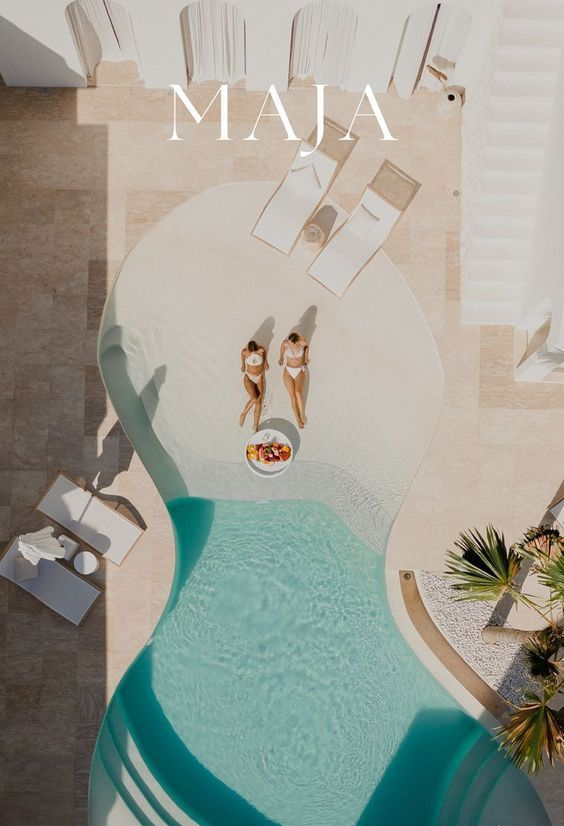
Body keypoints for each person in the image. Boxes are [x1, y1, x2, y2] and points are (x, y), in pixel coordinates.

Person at [278, 331, 309, 428]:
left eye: (291, 343)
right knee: (292, 396)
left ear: (296, 342)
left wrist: (306, 358)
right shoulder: (286, 343)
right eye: (289, 341)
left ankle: (302, 413)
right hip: (288, 372)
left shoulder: (302, 343)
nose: (289, 344)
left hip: (299, 370)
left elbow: (307, 347)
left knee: (298, 393)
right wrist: (281, 358)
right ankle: (297, 419)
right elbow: (282, 348)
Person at [239, 339, 268, 431]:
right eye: (252, 352)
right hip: (249, 377)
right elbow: (242, 355)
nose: (254, 353)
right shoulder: (245, 352)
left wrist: (265, 362)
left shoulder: (261, 350)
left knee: (259, 402)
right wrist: (243, 365)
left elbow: (265, 352)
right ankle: (243, 414)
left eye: (255, 351)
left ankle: (255, 425)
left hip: (259, 377)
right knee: (254, 398)